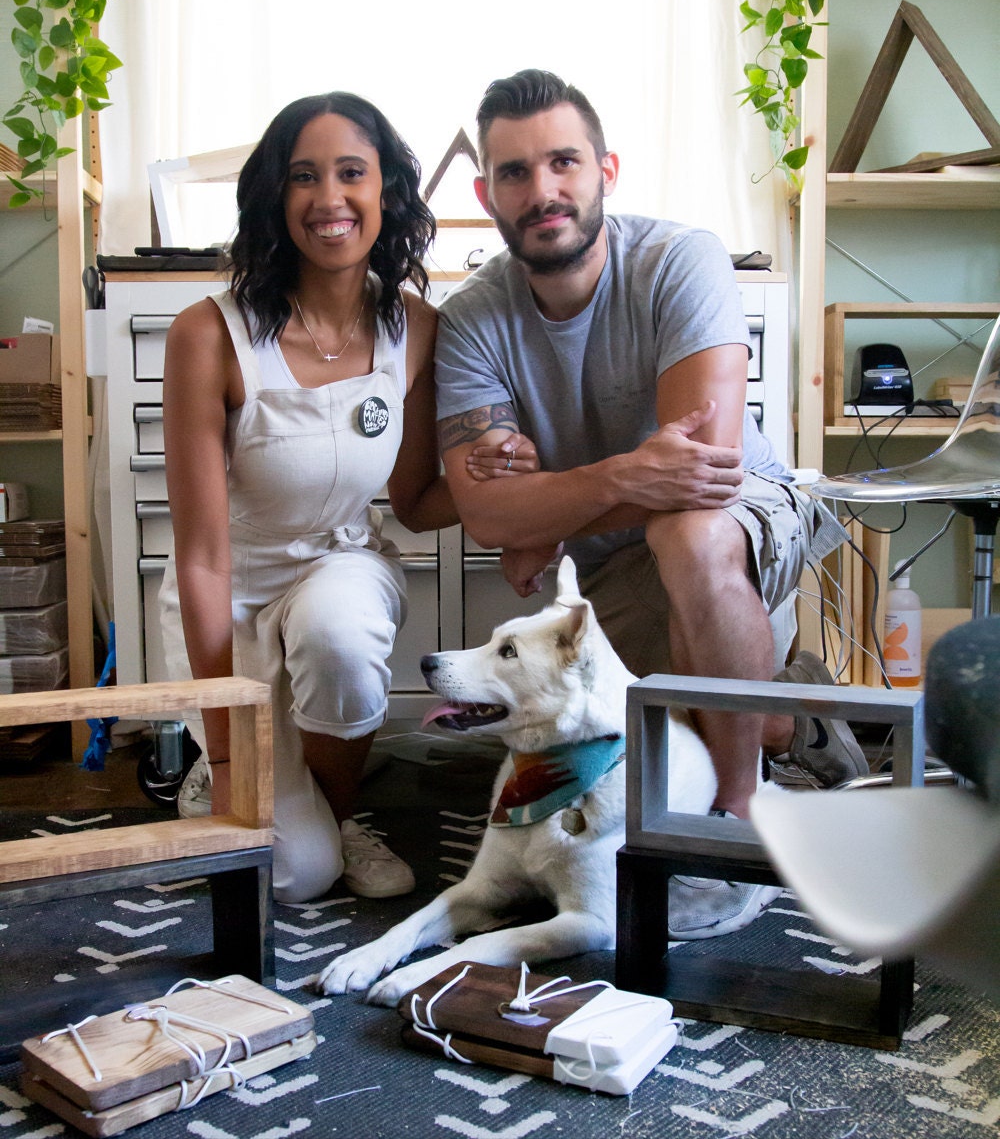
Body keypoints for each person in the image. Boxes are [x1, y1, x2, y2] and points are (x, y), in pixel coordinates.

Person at [434, 69, 865, 940]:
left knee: (688, 531)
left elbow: (703, 471)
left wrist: (544, 513)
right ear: (486, 194)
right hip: (610, 570)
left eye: (564, 162)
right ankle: (788, 722)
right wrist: (579, 497)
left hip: (741, 523)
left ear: (607, 169)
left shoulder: (680, 259)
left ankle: (733, 823)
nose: (543, 189)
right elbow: (487, 519)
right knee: (638, 694)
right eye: (514, 172)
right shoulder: (473, 319)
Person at [159, 91, 459, 905]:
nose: (329, 199)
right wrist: (226, 757)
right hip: (231, 594)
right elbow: (200, 556)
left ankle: (342, 810)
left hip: (341, 567)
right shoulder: (207, 336)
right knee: (297, 877)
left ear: (387, 192)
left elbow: (420, 499)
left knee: (337, 634)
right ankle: (219, 772)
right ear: (275, 198)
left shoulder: (417, 329)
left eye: (351, 173)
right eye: (303, 177)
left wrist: (504, 482)